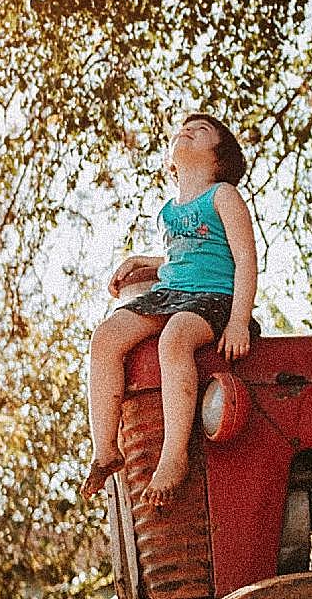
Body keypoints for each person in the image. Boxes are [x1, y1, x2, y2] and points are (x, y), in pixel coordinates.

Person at [83, 113, 257, 509]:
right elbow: (185, 258)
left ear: (219, 158)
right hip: (171, 292)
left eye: (202, 132)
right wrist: (144, 261)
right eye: (184, 129)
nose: (188, 131)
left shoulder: (223, 195)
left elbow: (244, 258)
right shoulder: (167, 211)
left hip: (212, 300)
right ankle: (105, 448)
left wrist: (239, 320)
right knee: (106, 337)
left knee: (175, 337)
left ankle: (174, 454)